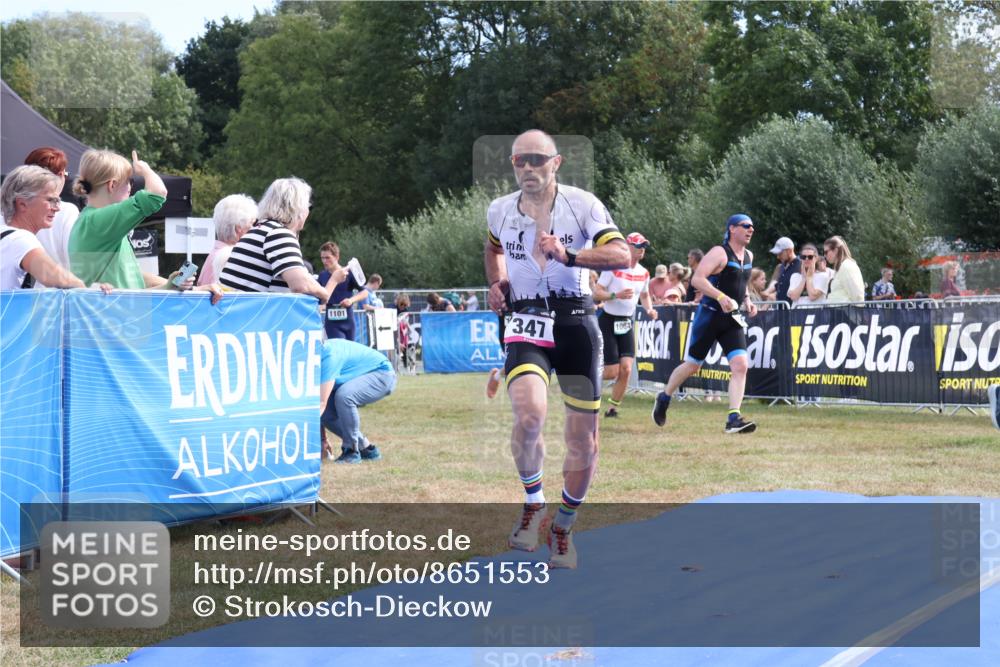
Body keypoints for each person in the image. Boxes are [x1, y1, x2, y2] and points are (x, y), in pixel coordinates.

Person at [484, 129, 629, 569]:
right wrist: (495, 282)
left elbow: (621, 255)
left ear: (556, 163)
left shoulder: (583, 204)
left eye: (537, 159)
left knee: (583, 440)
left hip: (576, 323)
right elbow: (492, 250)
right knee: (529, 414)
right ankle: (534, 504)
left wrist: (570, 256)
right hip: (526, 321)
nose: (528, 168)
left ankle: (563, 526)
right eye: (519, 161)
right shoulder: (499, 210)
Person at [652, 213, 759, 434]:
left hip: (732, 318)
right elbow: (697, 279)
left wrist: (747, 300)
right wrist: (720, 297)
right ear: (732, 229)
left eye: (752, 227)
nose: (751, 230)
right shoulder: (719, 252)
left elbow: (741, 282)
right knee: (693, 366)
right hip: (710, 316)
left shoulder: (748, 255)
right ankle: (664, 397)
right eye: (745, 226)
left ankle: (733, 418)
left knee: (741, 365)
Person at [220, 178, 336, 305]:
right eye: (309, 206)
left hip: (234, 315)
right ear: (298, 209)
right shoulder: (278, 234)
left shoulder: (257, 230)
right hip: (251, 320)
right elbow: (300, 285)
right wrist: (325, 293)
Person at [0, 165, 109, 291]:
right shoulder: (20, 239)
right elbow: (56, 277)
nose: (57, 208)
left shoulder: (6, 235)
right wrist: (94, 291)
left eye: (57, 201)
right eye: (51, 200)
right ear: (22, 203)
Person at [593, 232, 658, 418]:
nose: (642, 251)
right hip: (608, 320)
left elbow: (644, 295)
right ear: (627, 247)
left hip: (626, 322)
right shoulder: (612, 268)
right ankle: (586, 382)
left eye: (644, 247)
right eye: (638, 247)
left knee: (627, 369)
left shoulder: (643, 272)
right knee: (612, 371)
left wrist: (649, 310)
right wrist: (615, 295)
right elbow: (597, 293)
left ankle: (612, 408)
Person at [319, 338, 396, 463]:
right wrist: (322, 439)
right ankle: (365, 448)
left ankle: (351, 451)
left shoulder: (328, 356)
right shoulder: (314, 356)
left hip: (382, 373)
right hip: (360, 376)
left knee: (344, 396)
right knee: (327, 413)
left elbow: (320, 403)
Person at [23, 147, 78, 271]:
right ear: (60, 175)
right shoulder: (67, 211)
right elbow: (74, 259)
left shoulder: (11, 207)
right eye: (65, 174)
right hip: (56, 287)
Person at [198, 194, 257, 286]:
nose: (256, 228)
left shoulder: (215, 254)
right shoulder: (232, 258)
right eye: (253, 223)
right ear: (239, 228)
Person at [316, 242, 368, 339]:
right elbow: (319, 300)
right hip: (332, 323)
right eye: (322, 258)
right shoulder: (322, 275)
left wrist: (351, 300)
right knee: (339, 349)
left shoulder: (348, 273)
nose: (324, 261)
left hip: (349, 320)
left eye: (327, 258)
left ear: (336, 257)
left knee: (350, 351)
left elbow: (365, 292)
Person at [824, 235, 865, 303]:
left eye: (826, 252)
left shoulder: (847, 266)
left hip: (846, 311)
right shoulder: (841, 267)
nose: (825, 256)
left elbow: (857, 295)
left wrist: (856, 312)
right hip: (839, 311)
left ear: (836, 250)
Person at [769, 236, 801, 305]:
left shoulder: (801, 265)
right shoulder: (782, 266)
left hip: (794, 311)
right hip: (781, 311)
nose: (778, 257)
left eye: (780, 253)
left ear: (789, 251)